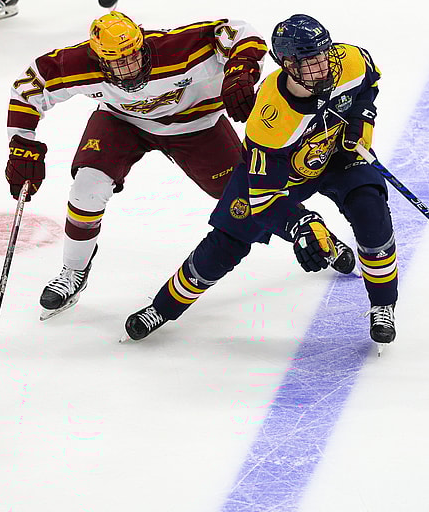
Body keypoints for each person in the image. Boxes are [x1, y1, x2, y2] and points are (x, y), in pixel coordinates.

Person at [4, 11, 355, 320]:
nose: (129, 68)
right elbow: (27, 89)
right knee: (87, 188)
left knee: (246, 198)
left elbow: (240, 32)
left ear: (143, 43)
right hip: (122, 122)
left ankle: (315, 233)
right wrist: (22, 144)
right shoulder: (75, 63)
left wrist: (241, 70)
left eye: (134, 56)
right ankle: (73, 271)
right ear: (98, 60)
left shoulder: (178, 47)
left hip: (197, 126)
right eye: (117, 63)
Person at [122, 14, 398, 347]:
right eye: (309, 62)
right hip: (278, 176)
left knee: (372, 212)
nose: (322, 67)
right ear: (287, 65)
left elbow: (369, 84)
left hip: (337, 154)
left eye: (323, 54)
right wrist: (300, 224)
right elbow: (264, 199)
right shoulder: (269, 118)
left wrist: (360, 120)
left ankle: (382, 304)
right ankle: (162, 308)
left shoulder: (348, 60)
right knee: (225, 244)